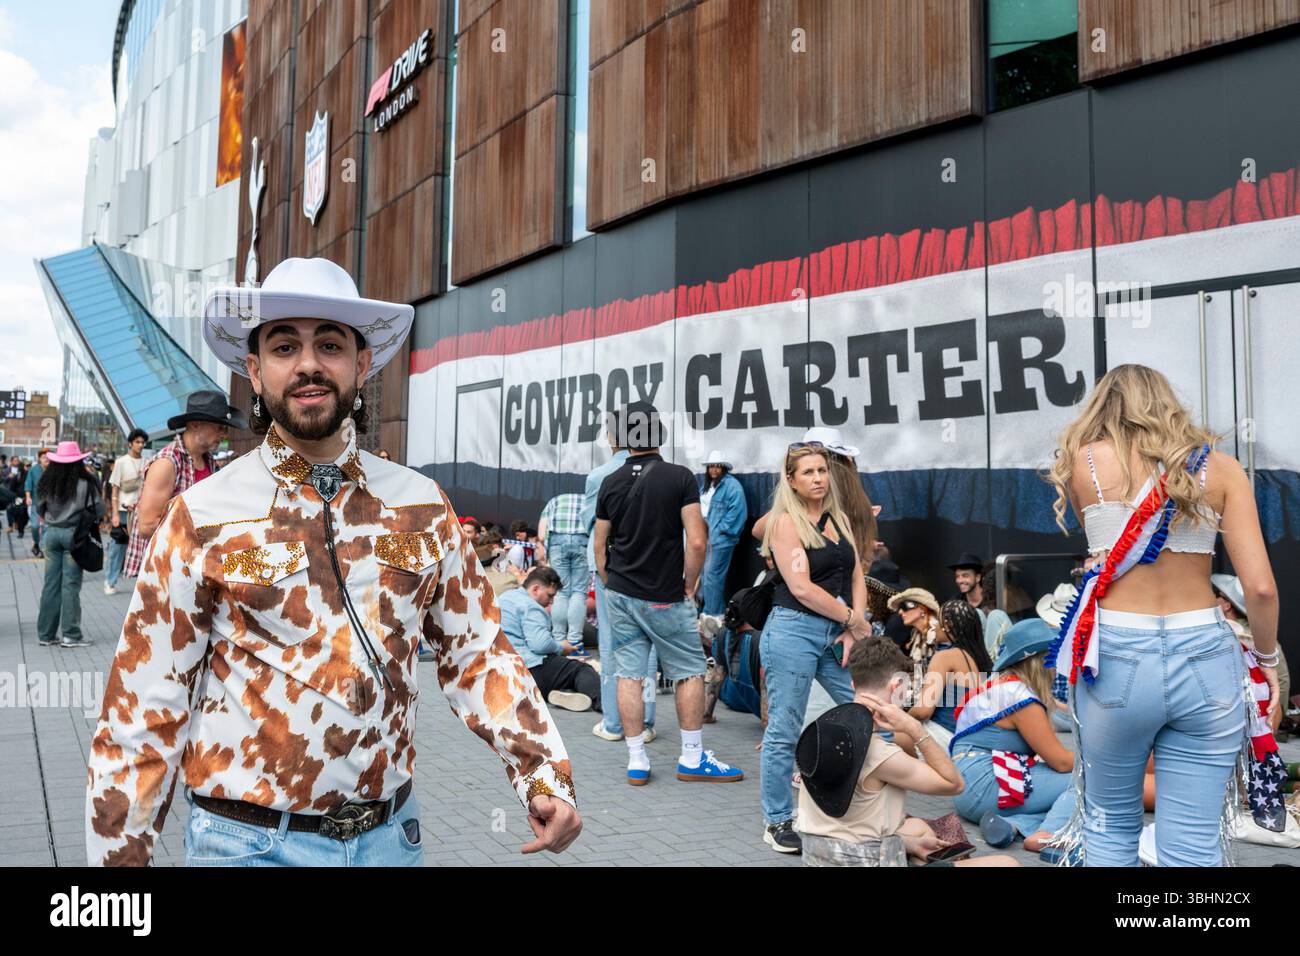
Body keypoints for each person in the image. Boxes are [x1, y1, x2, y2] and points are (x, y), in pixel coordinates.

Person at [86, 256, 580, 866]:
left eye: (329, 344)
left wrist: (543, 774)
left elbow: (478, 653)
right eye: (285, 345)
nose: (309, 363)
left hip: (390, 842)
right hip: (244, 846)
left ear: (362, 364)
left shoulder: (421, 506)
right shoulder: (203, 514)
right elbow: (146, 700)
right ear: (256, 371)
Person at [1046, 363, 1282, 866]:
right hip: (1205, 655)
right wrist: (1265, 657)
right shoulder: (1219, 469)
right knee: (1194, 844)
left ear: (1101, 409)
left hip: (1112, 656)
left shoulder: (1079, 464)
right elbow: (1260, 588)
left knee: (1108, 828)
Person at [593, 400, 740, 786]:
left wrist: (611, 581)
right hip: (665, 594)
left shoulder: (610, 482)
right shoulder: (680, 478)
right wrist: (689, 584)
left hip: (621, 593)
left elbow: (599, 545)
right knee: (690, 670)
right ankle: (692, 758)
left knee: (629, 673)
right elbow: (696, 541)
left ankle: (637, 760)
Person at [796, 637, 1018, 868]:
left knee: (920, 830)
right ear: (896, 686)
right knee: (1007, 863)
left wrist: (909, 845)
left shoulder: (825, 730)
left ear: (853, 684)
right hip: (865, 862)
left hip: (819, 856)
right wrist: (914, 729)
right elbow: (954, 784)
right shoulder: (880, 753)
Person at [757, 441, 871, 853]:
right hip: (793, 631)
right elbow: (801, 588)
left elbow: (856, 573)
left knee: (867, 711)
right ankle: (777, 820)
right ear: (791, 479)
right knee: (784, 729)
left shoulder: (837, 517)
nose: (818, 478)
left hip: (837, 631)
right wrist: (851, 619)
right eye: (808, 472)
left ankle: (856, 803)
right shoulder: (785, 522)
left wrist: (856, 624)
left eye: (822, 471)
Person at [947, 619, 1078, 864]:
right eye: (1051, 659)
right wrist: (1102, 759)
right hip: (985, 786)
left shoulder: (1000, 686)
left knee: (1056, 788)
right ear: (1039, 662)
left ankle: (1013, 825)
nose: (1055, 667)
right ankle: (1047, 834)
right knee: (1084, 781)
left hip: (968, 786)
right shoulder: (1020, 697)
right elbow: (1061, 762)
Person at [583, 417, 656, 743]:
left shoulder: (599, 476)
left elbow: (592, 526)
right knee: (649, 646)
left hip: (611, 570)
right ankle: (647, 721)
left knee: (613, 645)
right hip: (653, 570)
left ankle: (615, 723)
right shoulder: (663, 473)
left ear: (613, 437)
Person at [123, 391, 242, 579]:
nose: (224, 434)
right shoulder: (167, 463)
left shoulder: (209, 461)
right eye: (219, 427)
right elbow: (146, 526)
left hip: (192, 571)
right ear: (195, 424)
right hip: (165, 571)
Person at [499, 566, 601, 712]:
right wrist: (562, 648)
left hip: (502, 672)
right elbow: (540, 644)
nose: (551, 602)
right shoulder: (531, 606)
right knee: (580, 670)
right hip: (528, 670)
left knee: (560, 671)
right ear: (535, 589)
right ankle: (606, 705)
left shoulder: (505, 597)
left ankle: (560, 693)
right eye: (550, 595)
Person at [35, 441, 104, 648]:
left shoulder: (47, 481)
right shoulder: (86, 483)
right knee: (70, 585)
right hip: (75, 537)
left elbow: (40, 509)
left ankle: (46, 635)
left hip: (50, 535)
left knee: (50, 585)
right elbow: (99, 510)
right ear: (78, 462)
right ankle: (71, 635)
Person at [905, 599, 990, 749]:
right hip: (971, 740)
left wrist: (903, 717)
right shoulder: (981, 660)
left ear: (947, 626)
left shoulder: (945, 657)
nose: (935, 626)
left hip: (944, 736)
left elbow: (924, 711)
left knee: (887, 737)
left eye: (937, 621)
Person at [1212, 573, 1290, 733]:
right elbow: (1282, 682)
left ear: (1227, 605)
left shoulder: (1227, 635)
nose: (1212, 599)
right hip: (1267, 719)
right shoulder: (1265, 638)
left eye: (1216, 596)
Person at [696, 450, 748, 616]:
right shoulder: (707, 486)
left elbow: (739, 513)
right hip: (705, 536)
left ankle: (714, 613)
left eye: (718, 467)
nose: (714, 470)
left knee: (713, 576)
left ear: (724, 468)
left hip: (720, 540)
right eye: (711, 466)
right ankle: (706, 611)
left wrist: (720, 530)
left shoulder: (732, 486)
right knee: (704, 575)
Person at [538, 490, 590, 653]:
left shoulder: (554, 500)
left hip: (557, 541)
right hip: (582, 540)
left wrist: (544, 549)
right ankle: (575, 644)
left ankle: (559, 642)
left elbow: (541, 531)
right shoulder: (588, 501)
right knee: (579, 592)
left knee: (560, 592)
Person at [104, 428, 148, 595]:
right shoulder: (121, 462)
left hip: (141, 512)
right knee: (117, 548)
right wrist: (114, 513)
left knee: (141, 549)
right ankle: (110, 581)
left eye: (142, 442)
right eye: (137, 442)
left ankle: (141, 583)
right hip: (123, 511)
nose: (140, 445)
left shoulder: (147, 462)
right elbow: (114, 489)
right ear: (130, 443)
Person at [886, 587, 942, 691]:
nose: (900, 612)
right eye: (899, 608)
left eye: (904, 606)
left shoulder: (937, 634)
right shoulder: (918, 635)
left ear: (922, 609)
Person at [25, 448, 47, 558]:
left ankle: (43, 548)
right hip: (36, 503)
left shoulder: (53, 470)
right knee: (35, 526)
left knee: (45, 527)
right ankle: (37, 543)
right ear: (39, 459)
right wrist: (28, 497)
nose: (46, 460)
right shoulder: (33, 470)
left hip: (49, 505)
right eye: (44, 458)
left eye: (48, 458)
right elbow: (28, 484)